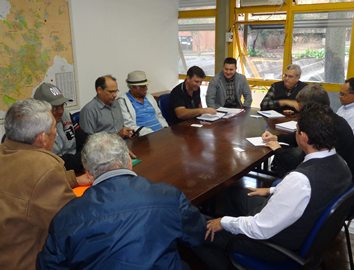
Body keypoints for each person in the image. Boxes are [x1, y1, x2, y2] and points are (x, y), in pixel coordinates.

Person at [194, 104, 352, 270]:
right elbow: (311, 193)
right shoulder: (342, 165)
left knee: (199, 235)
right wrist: (273, 190)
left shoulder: (300, 181)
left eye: (297, 130)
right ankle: (233, 249)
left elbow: (260, 229)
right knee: (234, 193)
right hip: (299, 231)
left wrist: (224, 222)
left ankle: (229, 259)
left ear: (303, 137)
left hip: (275, 246)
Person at [37, 132, 206, 270]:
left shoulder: (66, 217)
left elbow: (49, 265)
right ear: (129, 162)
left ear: (88, 173)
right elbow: (196, 235)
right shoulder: (169, 195)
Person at [0, 99, 77, 270]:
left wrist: (73, 179)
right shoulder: (45, 167)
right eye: (53, 129)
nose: (56, 132)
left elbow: (21, 189)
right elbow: (72, 224)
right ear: (42, 138)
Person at [263, 84, 354, 182]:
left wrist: (278, 150)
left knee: (285, 160)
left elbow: (299, 165)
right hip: (342, 174)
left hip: (331, 180)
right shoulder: (331, 119)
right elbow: (300, 135)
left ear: (311, 109)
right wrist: (277, 138)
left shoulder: (321, 127)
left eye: (302, 110)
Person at [34, 82, 88, 173]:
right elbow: (49, 163)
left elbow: (83, 139)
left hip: (76, 169)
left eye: (62, 105)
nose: (61, 111)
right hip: (53, 174)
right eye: (54, 108)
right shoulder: (32, 129)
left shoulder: (65, 115)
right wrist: (84, 158)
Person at [118, 70, 168, 136]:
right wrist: (151, 133)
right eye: (143, 87)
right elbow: (129, 125)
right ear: (134, 87)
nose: (146, 89)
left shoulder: (149, 97)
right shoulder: (122, 101)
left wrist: (165, 128)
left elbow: (159, 116)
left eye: (146, 85)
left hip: (161, 133)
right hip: (144, 137)